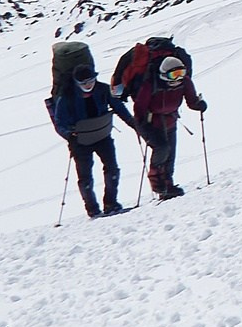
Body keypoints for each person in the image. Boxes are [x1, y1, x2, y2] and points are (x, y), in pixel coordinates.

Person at [113, 37, 207, 201]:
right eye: (173, 74)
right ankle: (158, 185)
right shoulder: (150, 84)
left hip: (170, 119)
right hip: (150, 122)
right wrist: (142, 126)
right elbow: (140, 108)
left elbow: (191, 101)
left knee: (170, 153)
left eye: (180, 73)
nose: (177, 78)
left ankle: (167, 185)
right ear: (164, 74)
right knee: (162, 148)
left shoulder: (184, 82)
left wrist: (199, 105)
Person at [48, 62, 137, 218]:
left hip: (102, 136)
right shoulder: (66, 97)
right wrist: (69, 135)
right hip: (80, 141)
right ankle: (92, 209)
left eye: (91, 80)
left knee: (112, 169)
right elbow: (59, 122)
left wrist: (133, 123)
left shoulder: (103, 90)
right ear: (76, 83)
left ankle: (111, 203)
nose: (89, 85)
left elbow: (118, 107)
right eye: (84, 83)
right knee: (86, 177)